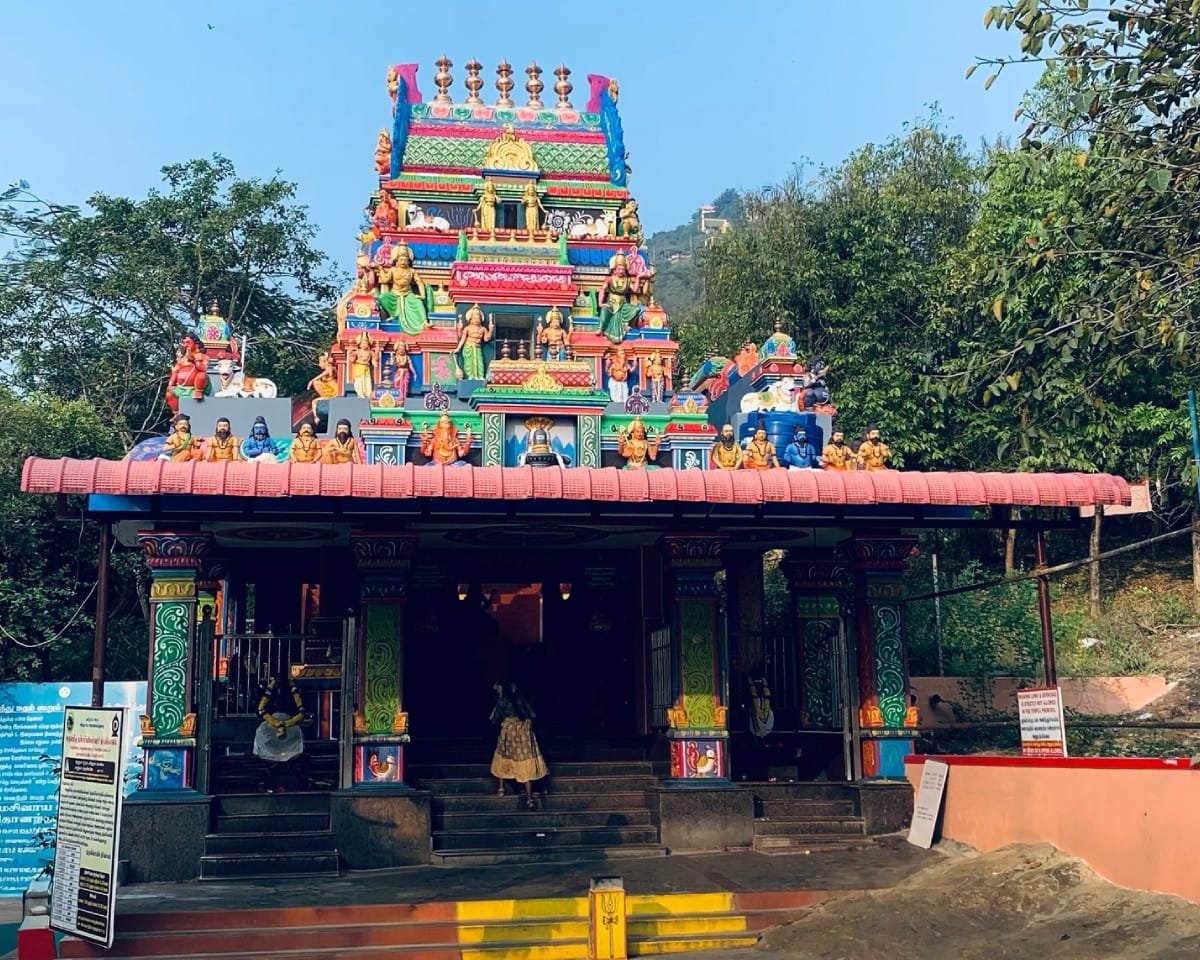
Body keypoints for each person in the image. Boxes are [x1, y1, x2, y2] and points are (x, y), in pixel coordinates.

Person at [489, 681, 547, 809]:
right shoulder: (521, 700)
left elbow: (493, 719)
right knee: (524, 763)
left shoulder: (503, 701)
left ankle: (501, 789)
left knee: (502, 758)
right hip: (524, 737)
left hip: (509, 736)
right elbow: (532, 715)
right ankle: (529, 798)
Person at [456, 304, 493, 380]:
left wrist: (491, 329)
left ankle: (480, 376)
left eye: (478, 318)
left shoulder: (482, 329)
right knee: (469, 363)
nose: (476, 320)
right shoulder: (467, 328)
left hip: (478, 347)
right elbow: (462, 338)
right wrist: (458, 348)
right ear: (470, 319)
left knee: (480, 362)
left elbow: (486, 339)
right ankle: (471, 376)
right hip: (468, 347)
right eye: (474, 318)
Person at [348, 331, 380, 399]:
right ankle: (360, 394)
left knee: (367, 381)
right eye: (363, 343)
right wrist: (350, 350)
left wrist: (377, 351)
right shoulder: (358, 351)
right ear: (360, 345)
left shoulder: (370, 352)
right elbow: (352, 358)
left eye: (366, 343)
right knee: (359, 381)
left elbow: (375, 359)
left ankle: (368, 394)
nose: (364, 345)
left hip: (366, 368)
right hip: (359, 367)